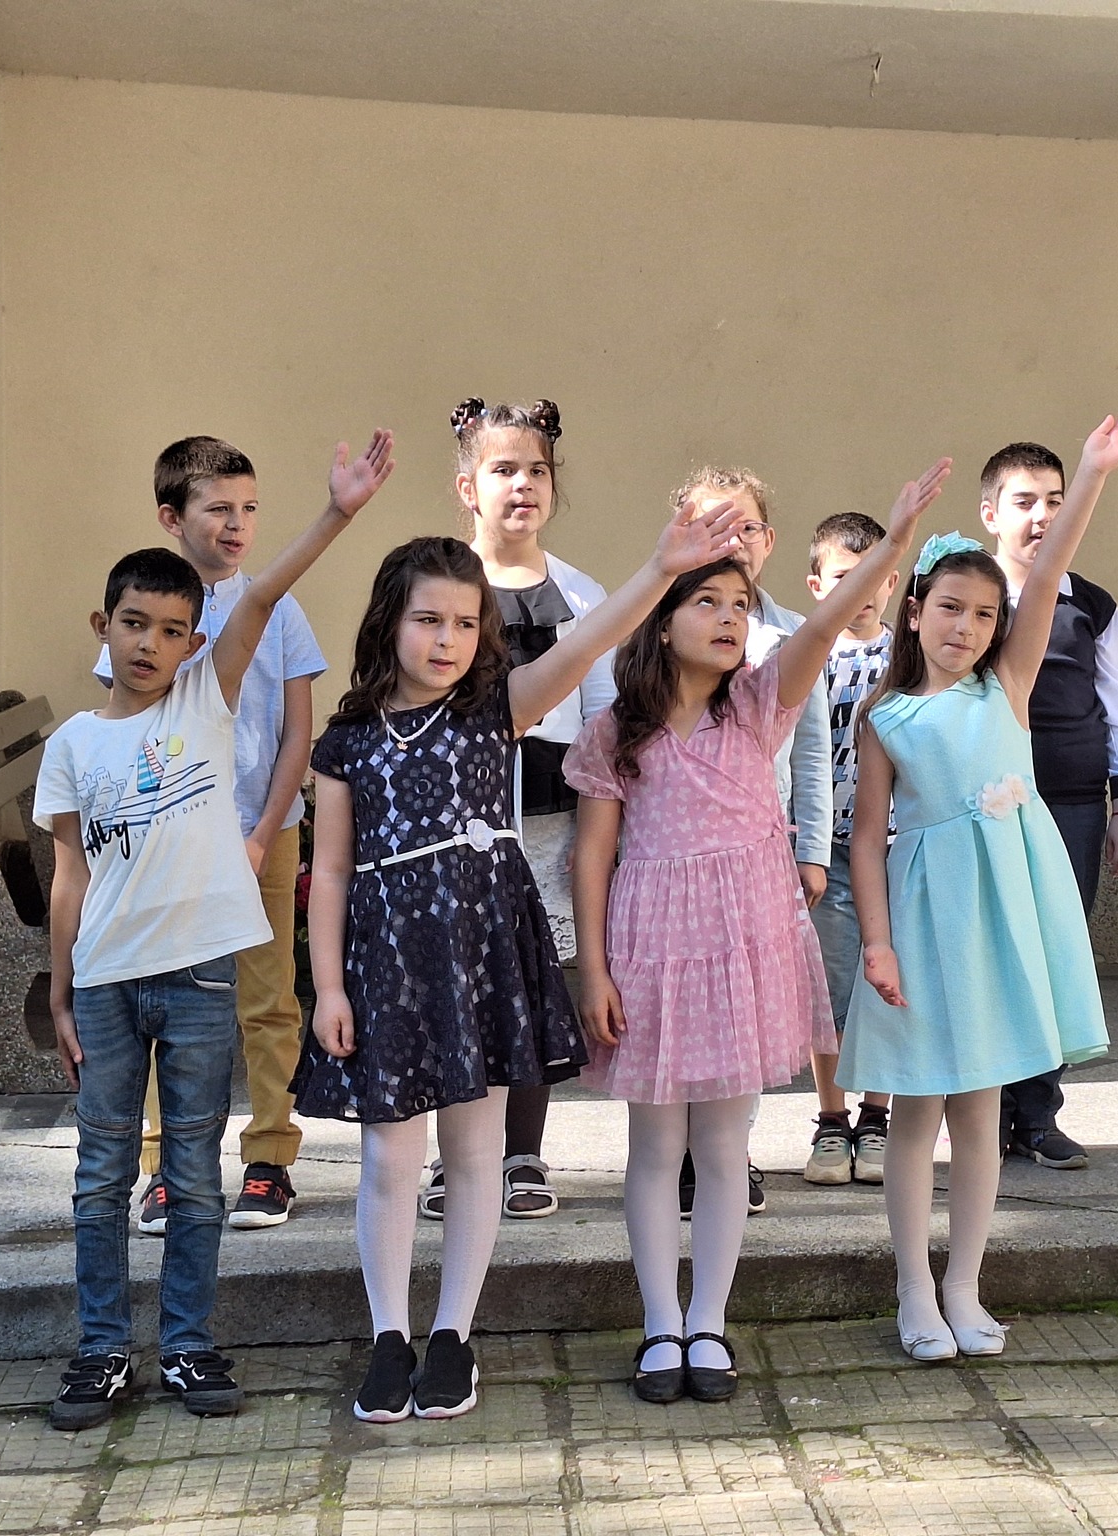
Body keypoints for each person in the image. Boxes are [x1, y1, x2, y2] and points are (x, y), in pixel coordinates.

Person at [293, 503, 745, 1425]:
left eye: (467, 623)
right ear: (388, 623)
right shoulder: (346, 741)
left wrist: (662, 569)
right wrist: (329, 984)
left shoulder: (495, 711)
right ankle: (389, 1336)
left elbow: (587, 642)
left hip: (479, 963)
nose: (447, 640)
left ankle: (452, 1335)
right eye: (428, 619)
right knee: (389, 1157)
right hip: (386, 968)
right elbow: (331, 870)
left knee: (475, 1153)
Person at [568, 461, 952, 1404]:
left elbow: (824, 623)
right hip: (651, 949)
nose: (730, 617)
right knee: (655, 1149)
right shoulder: (618, 729)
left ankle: (709, 1322)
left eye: (741, 604)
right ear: (663, 617)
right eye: (707, 601)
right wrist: (594, 968)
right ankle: (660, 1323)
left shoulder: (757, 706)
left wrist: (897, 540)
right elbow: (592, 855)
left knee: (723, 1146)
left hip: (742, 945)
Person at [39, 432, 396, 1431]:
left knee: (195, 1177)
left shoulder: (206, 696)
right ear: (103, 628)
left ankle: (188, 1346)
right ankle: (101, 1350)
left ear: (197, 644)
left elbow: (266, 594)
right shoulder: (71, 746)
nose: (148, 645)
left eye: (170, 630)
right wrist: (59, 991)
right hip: (104, 986)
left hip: (196, 980)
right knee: (102, 1176)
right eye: (132, 625)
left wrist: (339, 513)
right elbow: (70, 878)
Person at [841, 405, 1118, 1363]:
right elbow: (866, 839)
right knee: (917, 1110)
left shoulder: (1006, 686)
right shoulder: (885, 715)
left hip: (1000, 914)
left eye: (985, 615)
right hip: (923, 919)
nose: (968, 628)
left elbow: (1049, 569)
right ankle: (912, 1290)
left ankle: (964, 1286)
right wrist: (878, 941)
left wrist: (1093, 473)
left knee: (980, 1110)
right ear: (914, 611)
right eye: (950, 609)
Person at [93, 438, 326, 1236]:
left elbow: (297, 733)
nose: (237, 524)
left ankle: (270, 1158)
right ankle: (166, 1169)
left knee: (267, 1000)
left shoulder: (278, 607)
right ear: (172, 517)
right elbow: (126, 729)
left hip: (265, 834)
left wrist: (263, 834)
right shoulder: (147, 607)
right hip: (170, 844)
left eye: (249, 509)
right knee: (166, 1005)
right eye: (218, 508)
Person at [424, 396, 616, 1225]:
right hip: (454, 826)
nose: (523, 485)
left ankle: (523, 1150)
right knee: (460, 984)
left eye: (537, 470)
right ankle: (454, 1154)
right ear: (468, 487)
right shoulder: (440, 585)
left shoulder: (580, 593)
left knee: (534, 982)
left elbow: (605, 718)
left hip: (546, 823)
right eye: (504, 469)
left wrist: (600, 828)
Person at [666, 466, 834, 1216]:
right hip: (680, 863)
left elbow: (813, 753)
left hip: (765, 852)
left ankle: (732, 1149)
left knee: (752, 1004)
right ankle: (679, 1150)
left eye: (746, 528)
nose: (732, 541)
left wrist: (813, 851)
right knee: (686, 1002)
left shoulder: (792, 634)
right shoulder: (662, 623)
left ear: (769, 540)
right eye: (714, 527)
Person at [978, 442, 1118, 1172]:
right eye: (1025, 502)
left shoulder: (1093, 606)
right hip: (980, 805)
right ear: (990, 514)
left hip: (1071, 805)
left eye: (1054, 500)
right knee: (989, 952)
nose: (1041, 516)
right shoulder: (965, 595)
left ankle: (1038, 1116)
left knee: (1053, 954)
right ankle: (983, 1113)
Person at [802, 512, 898, 1186]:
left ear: (892, 583)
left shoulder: (909, 659)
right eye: (842, 577)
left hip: (897, 848)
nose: (859, 591)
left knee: (887, 985)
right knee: (830, 986)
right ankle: (832, 1120)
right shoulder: (806, 654)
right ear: (816, 585)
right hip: (827, 849)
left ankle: (877, 1117)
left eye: (872, 578)